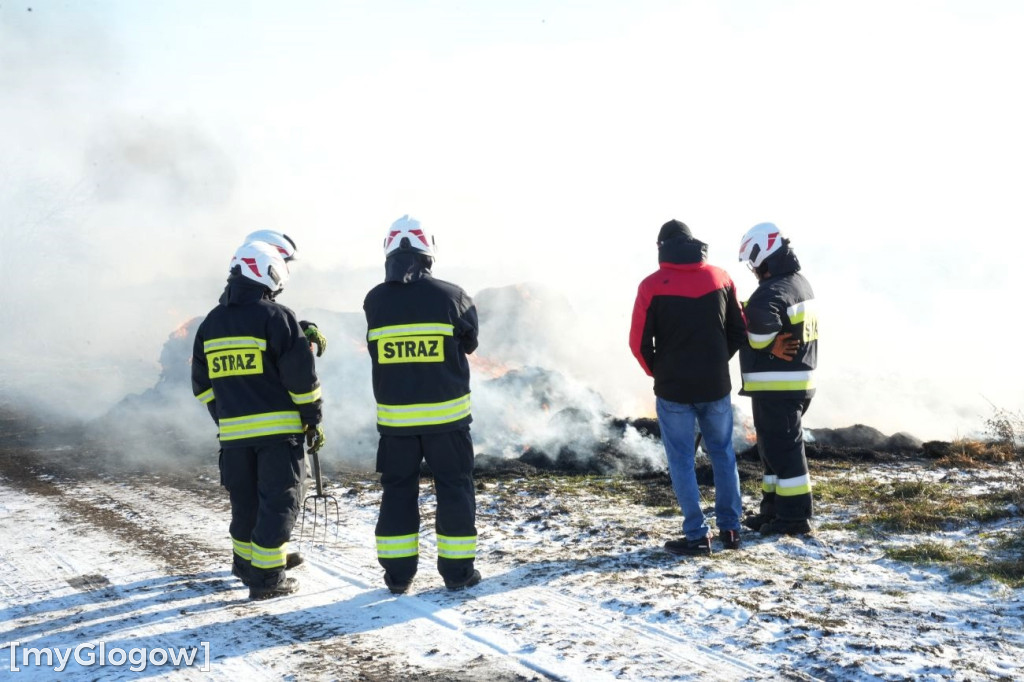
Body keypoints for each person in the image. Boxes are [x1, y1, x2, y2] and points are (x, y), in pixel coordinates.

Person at [192, 240, 326, 599]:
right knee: (279, 502)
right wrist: (312, 419)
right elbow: (301, 380)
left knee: (245, 502)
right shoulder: (277, 317)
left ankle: (246, 565)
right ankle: (268, 580)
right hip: (279, 435)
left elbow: (202, 386)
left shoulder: (211, 323)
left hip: (233, 437)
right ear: (268, 271)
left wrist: (226, 417)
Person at [363, 215, 480, 594]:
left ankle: (398, 578)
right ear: (428, 253)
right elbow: (470, 342)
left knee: (398, 493)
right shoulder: (454, 296)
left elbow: (375, 350)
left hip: (397, 425)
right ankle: (458, 574)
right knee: (454, 490)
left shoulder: (375, 301)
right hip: (448, 422)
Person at [629, 219, 747, 556]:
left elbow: (638, 344)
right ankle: (731, 529)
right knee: (723, 453)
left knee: (681, 460)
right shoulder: (721, 277)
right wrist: (715, 361)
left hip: (673, 390)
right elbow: (740, 330)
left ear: (661, 248)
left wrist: (660, 372)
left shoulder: (650, 286)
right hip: (715, 386)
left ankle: (697, 535)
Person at [737, 222, 818, 536]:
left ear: (765, 254)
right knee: (772, 453)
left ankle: (795, 517)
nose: (754, 270)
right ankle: (772, 511)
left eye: (754, 263)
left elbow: (759, 331)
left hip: (778, 386)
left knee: (785, 455)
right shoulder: (798, 283)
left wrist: (759, 339)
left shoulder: (772, 291)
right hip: (793, 382)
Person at [236, 230, 328, 358]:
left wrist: (298, 329)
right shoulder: (271, 315)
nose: (286, 269)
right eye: (283, 262)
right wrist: (298, 345)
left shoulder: (217, 319)